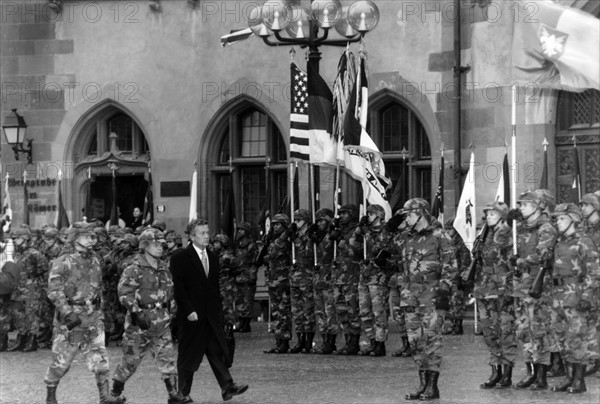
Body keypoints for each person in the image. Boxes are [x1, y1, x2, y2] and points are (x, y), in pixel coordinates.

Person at [170, 218, 248, 403]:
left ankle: (227, 386)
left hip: (211, 316)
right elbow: (178, 288)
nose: (207, 236)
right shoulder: (180, 258)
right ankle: (182, 393)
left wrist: (220, 315)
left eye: (207, 232)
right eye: (202, 233)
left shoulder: (212, 257)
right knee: (188, 356)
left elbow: (214, 289)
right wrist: (188, 310)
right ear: (191, 236)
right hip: (190, 317)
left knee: (215, 351)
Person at [43, 222, 122, 404]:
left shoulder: (94, 260)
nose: (91, 240)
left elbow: (98, 287)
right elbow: (54, 290)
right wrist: (66, 312)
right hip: (71, 319)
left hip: (93, 317)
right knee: (61, 361)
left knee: (100, 358)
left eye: (92, 236)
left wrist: (100, 311)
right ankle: (50, 396)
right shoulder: (63, 261)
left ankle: (105, 396)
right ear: (75, 238)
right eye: (87, 236)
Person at [110, 229, 185, 404]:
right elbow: (124, 293)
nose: (160, 248)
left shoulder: (164, 268)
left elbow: (170, 292)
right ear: (144, 246)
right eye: (156, 244)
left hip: (162, 322)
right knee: (130, 362)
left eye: (162, 245)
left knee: (166, 358)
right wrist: (136, 311)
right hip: (140, 325)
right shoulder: (133, 269)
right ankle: (115, 392)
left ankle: (173, 394)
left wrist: (172, 312)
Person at [399, 198, 457, 401]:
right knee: (416, 342)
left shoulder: (440, 236)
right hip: (411, 297)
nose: (407, 218)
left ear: (422, 213)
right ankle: (422, 384)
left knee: (432, 340)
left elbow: (451, 266)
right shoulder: (407, 236)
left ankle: (433, 386)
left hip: (432, 297)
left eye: (410, 214)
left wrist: (444, 290)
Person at [508, 189, 557, 390]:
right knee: (524, 332)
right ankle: (530, 372)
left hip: (539, 288)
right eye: (520, 205)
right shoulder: (519, 228)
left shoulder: (546, 229)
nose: (521, 208)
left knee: (540, 331)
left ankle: (542, 375)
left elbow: (542, 254)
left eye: (525, 204)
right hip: (521, 287)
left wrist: (520, 261)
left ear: (539, 206)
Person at [548, 203, 598, 394]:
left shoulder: (584, 242)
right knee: (562, 337)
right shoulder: (558, 242)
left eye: (562, 218)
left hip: (575, 293)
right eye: (557, 219)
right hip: (558, 294)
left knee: (577, 337)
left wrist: (586, 296)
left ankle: (579, 380)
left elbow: (594, 272)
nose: (558, 222)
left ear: (573, 219)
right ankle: (568, 377)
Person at [473, 202, 517, 389]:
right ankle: (495, 370)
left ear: (501, 216)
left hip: (502, 289)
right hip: (484, 288)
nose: (488, 217)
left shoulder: (507, 234)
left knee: (505, 330)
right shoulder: (485, 234)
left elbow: (498, 249)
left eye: (492, 214)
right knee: (489, 332)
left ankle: (507, 372)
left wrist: (506, 225)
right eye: (487, 214)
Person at [350, 204, 394, 357]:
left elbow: (377, 248)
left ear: (379, 215)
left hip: (378, 277)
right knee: (364, 311)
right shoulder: (364, 232)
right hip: (364, 275)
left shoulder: (385, 231)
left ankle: (380, 344)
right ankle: (372, 341)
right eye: (367, 213)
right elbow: (354, 248)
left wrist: (367, 232)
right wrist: (357, 232)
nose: (368, 216)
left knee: (379, 312)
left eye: (371, 213)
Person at [7, 225, 49, 352]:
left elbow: (44, 268)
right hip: (17, 287)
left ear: (25, 238)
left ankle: (32, 340)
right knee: (18, 314)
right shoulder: (17, 253)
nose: (14, 240)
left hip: (31, 288)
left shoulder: (35, 253)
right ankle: (22, 338)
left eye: (17, 238)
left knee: (31, 314)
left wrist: (32, 278)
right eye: (14, 238)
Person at [330, 204, 361, 355]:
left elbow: (356, 253)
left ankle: (354, 342)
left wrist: (343, 242)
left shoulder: (357, 231)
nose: (341, 216)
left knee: (352, 310)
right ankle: (348, 340)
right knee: (340, 309)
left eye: (344, 213)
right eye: (340, 213)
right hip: (339, 276)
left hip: (351, 275)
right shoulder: (340, 229)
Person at [262, 213, 293, 354]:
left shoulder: (286, 239)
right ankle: (278, 340)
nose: (275, 226)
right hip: (273, 280)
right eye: (274, 224)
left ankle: (284, 342)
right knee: (276, 312)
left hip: (283, 280)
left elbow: (276, 251)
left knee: (284, 312)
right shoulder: (272, 239)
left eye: (278, 224)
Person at [288, 208, 317, 354]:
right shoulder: (294, 235)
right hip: (294, 277)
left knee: (307, 311)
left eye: (298, 220)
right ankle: (299, 339)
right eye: (295, 220)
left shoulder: (310, 235)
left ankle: (308, 340)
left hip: (306, 276)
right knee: (296, 311)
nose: (296, 222)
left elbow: (308, 253)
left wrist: (296, 239)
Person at [310, 208, 338, 354]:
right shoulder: (317, 236)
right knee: (320, 312)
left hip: (328, 278)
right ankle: (325, 339)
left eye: (322, 221)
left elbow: (328, 252)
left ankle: (331, 340)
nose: (320, 223)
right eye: (318, 221)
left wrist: (323, 237)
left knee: (330, 311)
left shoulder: (331, 235)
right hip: (318, 278)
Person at [232, 222, 258, 333]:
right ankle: (241, 322)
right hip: (238, 276)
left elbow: (255, 262)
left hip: (247, 276)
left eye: (241, 230)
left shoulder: (251, 245)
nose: (239, 232)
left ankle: (246, 324)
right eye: (238, 230)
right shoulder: (237, 244)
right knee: (239, 300)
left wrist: (252, 275)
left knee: (247, 300)